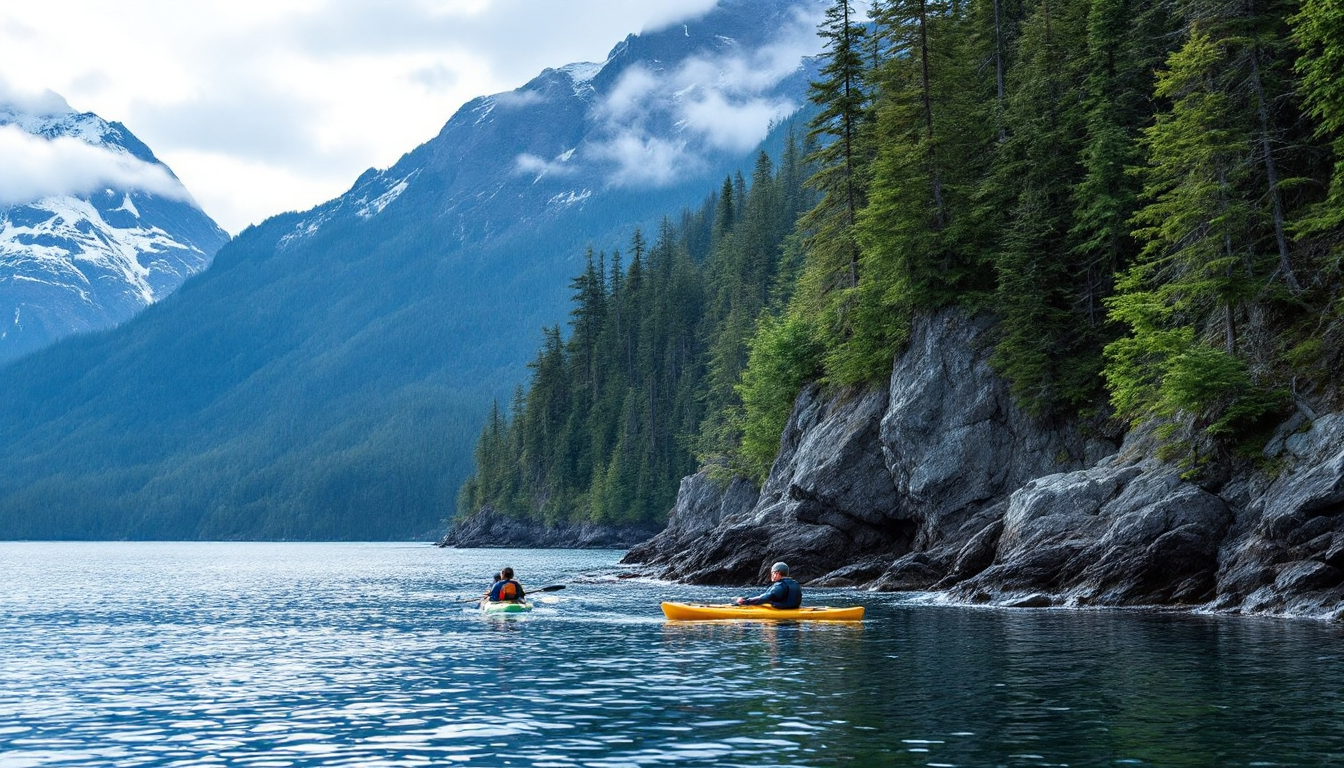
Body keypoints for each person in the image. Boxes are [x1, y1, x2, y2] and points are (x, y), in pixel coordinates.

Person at [733, 562, 801, 609]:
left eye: (772, 573)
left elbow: (764, 598)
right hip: (794, 608)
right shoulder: (795, 583)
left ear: (778, 573)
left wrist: (745, 601)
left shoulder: (779, 586)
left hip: (782, 610)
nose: (771, 575)